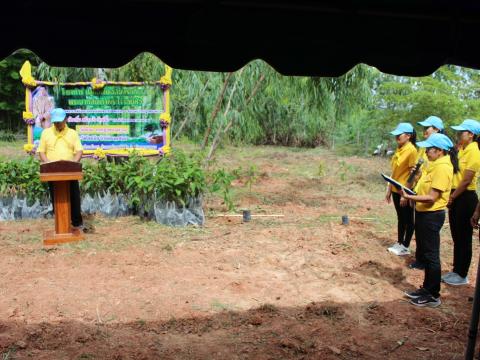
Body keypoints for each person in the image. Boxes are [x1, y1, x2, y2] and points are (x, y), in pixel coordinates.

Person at [401, 133, 457, 307]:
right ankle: (426, 288)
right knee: (426, 252)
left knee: (432, 256)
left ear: (439, 151)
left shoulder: (442, 168)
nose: (425, 152)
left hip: (432, 215)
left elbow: (432, 197)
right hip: (424, 214)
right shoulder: (433, 165)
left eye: (428, 149)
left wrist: (409, 196)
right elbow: (423, 188)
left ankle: (433, 295)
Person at [443, 119, 480, 286]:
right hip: (456, 196)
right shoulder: (461, 149)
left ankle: (462, 273)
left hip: (465, 197)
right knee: (456, 236)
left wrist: (452, 197)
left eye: (461, 132)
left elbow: (466, 180)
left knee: (464, 237)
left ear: (471, 134)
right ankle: (456, 270)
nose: (458, 135)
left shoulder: (475, 151)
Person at [37, 108, 84, 229]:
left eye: (60, 121)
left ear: (66, 119)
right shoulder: (46, 133)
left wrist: (73, 165)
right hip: (52, 172)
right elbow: (41, 152)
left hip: (70, 172)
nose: (57, 124)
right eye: (55, 122)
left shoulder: (72, 133)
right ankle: (61, 224)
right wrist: (49, 165)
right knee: (56, 197)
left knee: (74, 196)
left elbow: (79, 151)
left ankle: (77, 223)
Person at [408, 115, 445, 270]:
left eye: (427, 128)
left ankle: (431, 286)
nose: (424, 131)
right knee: (421, 234)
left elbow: (434, 191)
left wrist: (410, 195)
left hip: (432, 206)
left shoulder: (441, 162)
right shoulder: (426, 149)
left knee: (431, 249)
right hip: (421, 198)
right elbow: (420, 173)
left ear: (436, 129)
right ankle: (420, 259)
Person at [386, 122, 418, 256]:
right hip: (395, 189)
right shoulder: (399, 149)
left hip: (404, 190)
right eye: (396, 135)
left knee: (408, 219)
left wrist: (406, 194)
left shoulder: (411, 150)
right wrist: (388, 188)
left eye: (400, 135)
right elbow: (394, 171)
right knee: (400, 217)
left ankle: (405, 245)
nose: (397, 137)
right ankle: (399, 242)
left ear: (408, 136)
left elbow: (413, 174)